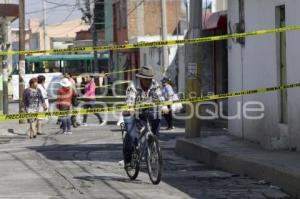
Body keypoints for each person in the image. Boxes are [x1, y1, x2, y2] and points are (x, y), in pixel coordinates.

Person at [123, 65, 169, 167]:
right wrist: (130, 108)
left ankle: (153, 144)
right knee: (131, 135)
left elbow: (160, 97)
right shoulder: (133, 86)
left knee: (157, 118)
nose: (148, 81)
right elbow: (130, 100)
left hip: (147, 110)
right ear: (141, 78)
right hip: (132, 111)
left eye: (150, 79)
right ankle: (128, 159)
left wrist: (164, 106)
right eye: (146, 79)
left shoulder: (154, 84)